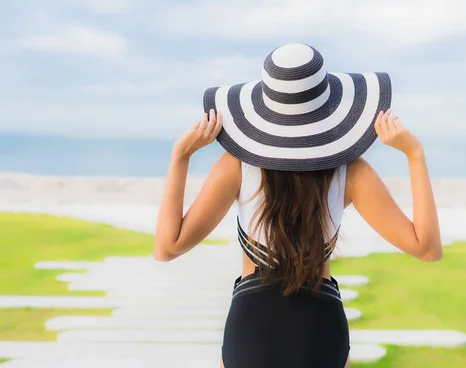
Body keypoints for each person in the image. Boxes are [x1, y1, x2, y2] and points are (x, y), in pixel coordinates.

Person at [153, 43, 442, 368]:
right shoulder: (351, 172)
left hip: (252, 329)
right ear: (329, 104)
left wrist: (180, 157)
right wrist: (415, 155)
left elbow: (167, 247)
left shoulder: (238, 166)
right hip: (320, 328)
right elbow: (426, 248)